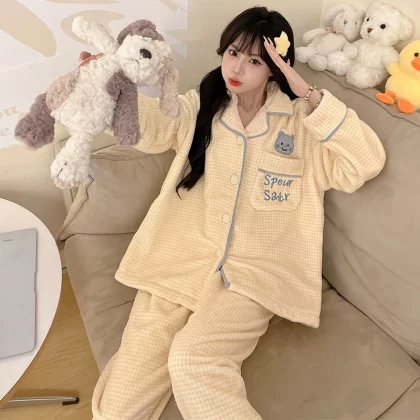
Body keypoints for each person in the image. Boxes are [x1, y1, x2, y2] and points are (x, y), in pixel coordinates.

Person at [87, 6, 386, 420]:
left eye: (255, 61)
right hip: (180, 259)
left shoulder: (303, 124)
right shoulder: (201, 107)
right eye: (232, 53)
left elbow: (365, 162)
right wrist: (107, 87)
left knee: (192, 359)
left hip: (255, 276)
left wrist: (309, 95)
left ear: (276, 68)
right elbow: (150, 127)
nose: (237, 68)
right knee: (119, 406)